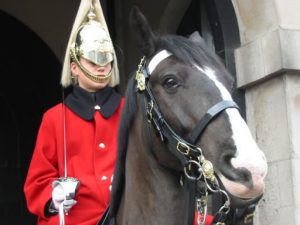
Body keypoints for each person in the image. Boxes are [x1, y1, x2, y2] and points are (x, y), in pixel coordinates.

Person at [23, 0, 124, 225]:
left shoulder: (128, 110)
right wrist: (53, 198)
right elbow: (37, 182)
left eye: (106, 59)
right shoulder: (54, 118)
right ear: (75, 66)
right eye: (93, 59)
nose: (102, 66)